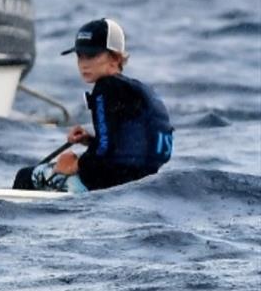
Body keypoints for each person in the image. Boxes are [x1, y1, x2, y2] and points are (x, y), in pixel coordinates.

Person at [14, 18, 174, 193]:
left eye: (91, 55)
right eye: (80, 55)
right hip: (142, 182)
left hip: (106, 182)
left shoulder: (106, 88)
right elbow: (127, 145)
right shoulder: (138, 89)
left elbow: (105, 153)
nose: (84, 63)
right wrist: (90, 141)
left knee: (24, 177)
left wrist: (75, 165)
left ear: (115, 58)